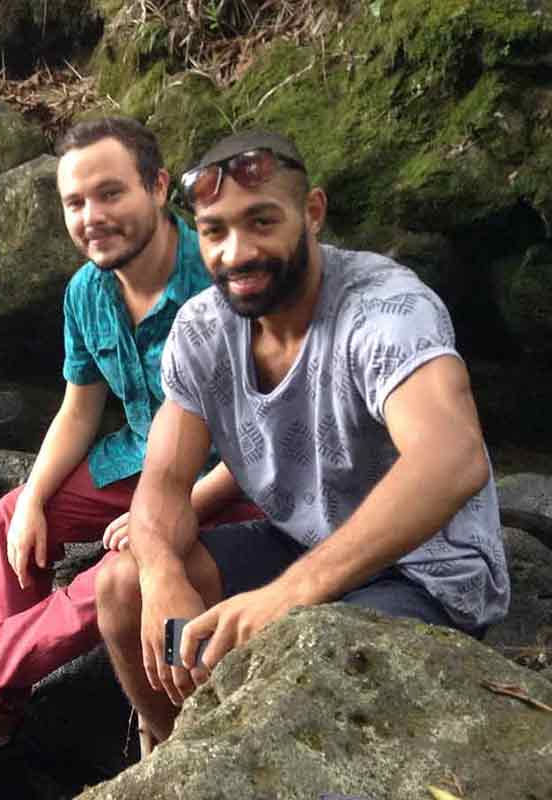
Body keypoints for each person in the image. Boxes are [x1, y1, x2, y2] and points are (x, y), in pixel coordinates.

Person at [94, 130, 511, 749]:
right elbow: (163, 480)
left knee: (299, 659)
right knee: (121, 586)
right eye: (215, 231)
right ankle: (173, 756)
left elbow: (453, 456)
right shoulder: (204, 328)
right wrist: (159, 574)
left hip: (426, 574)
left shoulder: (386, 309)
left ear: (312, 212)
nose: (238, 252)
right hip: (302, 542)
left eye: (262, 221)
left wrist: (288, 597)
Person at [0, 117, 259, 755]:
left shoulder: (218, 281)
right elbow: (80, 409)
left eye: (110, 194)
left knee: (114, 575)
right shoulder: (86, 292)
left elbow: (261, 441)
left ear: (158, 188)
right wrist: (30, 501)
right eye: (75, 203)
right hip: (138, 459)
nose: (92, 216)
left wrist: (171, 513)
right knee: (14, 516)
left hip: (224, 480)